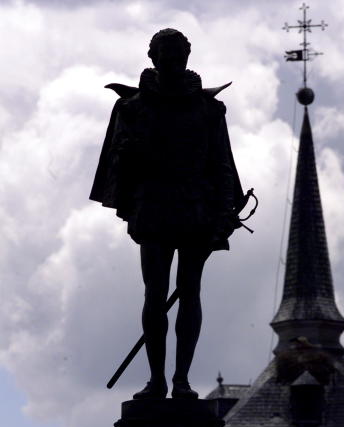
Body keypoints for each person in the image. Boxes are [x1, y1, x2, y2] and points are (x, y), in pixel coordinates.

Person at [90, 28, 243, 399]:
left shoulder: (208, 109)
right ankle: (157, 380)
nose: (174, 62)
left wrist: (225, 210)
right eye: (166, 55)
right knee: (155, 293)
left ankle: (181, 380)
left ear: (187, 58)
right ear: (153, 58)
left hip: (195, 206)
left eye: (179, 56)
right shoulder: (133, 107)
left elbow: (221, 162)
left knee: (190, 290)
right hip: (154, 205)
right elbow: (118, 167)